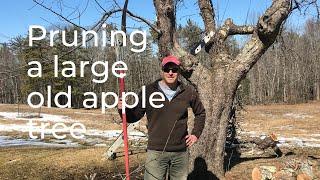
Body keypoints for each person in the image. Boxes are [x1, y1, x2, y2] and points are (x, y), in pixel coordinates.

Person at [118, 55, 206, 180]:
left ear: (179, 71)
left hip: (180, 152)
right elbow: (134, 116)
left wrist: (195, 134)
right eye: (167, 69)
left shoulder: (188, 91)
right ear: (162, 70)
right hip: (156, 152)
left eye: (174, 69)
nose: (170, 73)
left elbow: (201, 113)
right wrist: (123, 109)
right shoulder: (148, 91)